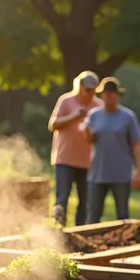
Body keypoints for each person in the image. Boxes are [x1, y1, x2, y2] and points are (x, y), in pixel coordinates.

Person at [81, 77, 140, 223]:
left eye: (111, 93)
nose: (108, 96)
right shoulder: (94, 115)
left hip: (120, 173)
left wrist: (139, 171)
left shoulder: (128, 116)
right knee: (93, 215)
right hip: (98, 172)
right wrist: (85, 131)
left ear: (117, 95)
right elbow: (90, 140)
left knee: (122, 215)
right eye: (105, 93)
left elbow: (136, 144)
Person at [48, 71, 100, 226]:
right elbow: (53, 124)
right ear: (79, 87)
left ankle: (80, 232)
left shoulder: (98, 106)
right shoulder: (66, 101)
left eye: (93, 90)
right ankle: (58, 230)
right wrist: (73, 116)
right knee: (62, 198)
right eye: (87, 89)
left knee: (85, 202)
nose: (90, 93)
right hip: (65, 159)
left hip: (87, 161)